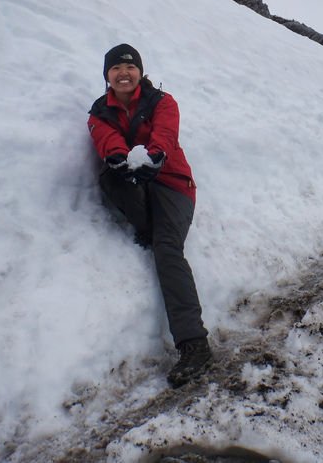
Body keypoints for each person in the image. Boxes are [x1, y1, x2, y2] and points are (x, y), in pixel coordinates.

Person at [87, 43, 212, 387]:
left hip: (173, 185)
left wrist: (154, 156)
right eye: (116, 68)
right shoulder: (99, 113)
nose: (123, 73)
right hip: (138, 186)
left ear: (140, 72)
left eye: (130, 67)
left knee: (167, 249)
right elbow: (106, 139)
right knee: (110, 177)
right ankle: (147, 227)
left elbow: (165, 134)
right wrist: (118, 159)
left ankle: (194, 344)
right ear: (107, 76)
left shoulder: (162, 102)